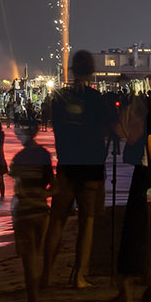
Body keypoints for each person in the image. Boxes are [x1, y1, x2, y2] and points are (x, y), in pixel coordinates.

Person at [42, 49, 111, 289]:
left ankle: (45, 276)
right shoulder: (96, 99)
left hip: (67, 163)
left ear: (72, 70)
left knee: (57, 220)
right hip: (91, 164)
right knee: (87, 221)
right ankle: (79, 276)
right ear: (91, 72)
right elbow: (105, 130)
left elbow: (56, 130)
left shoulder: (59, 98)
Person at [108, 95, 151, 302]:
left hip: (141, 178)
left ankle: (127, 286)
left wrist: (120, 119)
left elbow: (122, 134)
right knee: (147, 230)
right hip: (148, 179)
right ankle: (149, 278)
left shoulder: (141, 128)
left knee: (134, 230)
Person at [7, 121, 53, 302]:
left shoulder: (19, 158)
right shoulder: (44, 155)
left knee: (28, 260)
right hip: (42, 209)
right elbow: (52, 182)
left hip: (24, 210)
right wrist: (44, 194)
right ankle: (35, 300)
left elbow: (17, 184)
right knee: (37, 254)